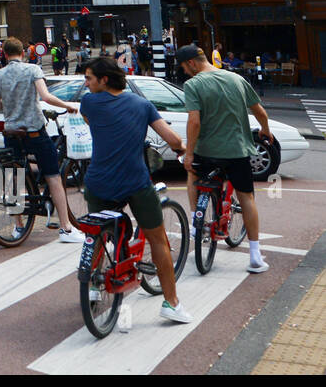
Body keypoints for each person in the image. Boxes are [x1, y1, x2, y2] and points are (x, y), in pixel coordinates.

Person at [79, 57, 193, 323]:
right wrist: (181, 150)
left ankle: (93, 287)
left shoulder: (89, 103)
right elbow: (173, 139)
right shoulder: (142, 105)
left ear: (103, 80)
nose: (86, 84)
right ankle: (171, 303)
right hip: (135, 182)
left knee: (99, 235)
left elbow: (89, 121)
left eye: (88, 78)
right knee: (158, 240)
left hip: (98, 182)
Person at [175, 44, 272, 273]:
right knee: (246, 198)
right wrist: (265, 129)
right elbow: (259, 112)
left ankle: (195, 224)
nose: (185, 73)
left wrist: (189, 153)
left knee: (192, 173)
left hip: (206, 151)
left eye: (184, 68)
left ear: (191, 63)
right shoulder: (236, 79)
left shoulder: (193, 85)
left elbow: (194, 121)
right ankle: (255, 255)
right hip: (237, 150)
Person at [0, 37, 83, 242]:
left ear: (4, 54)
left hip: (12, 134)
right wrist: (68, 106)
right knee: (54, 177)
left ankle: (18, 226)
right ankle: (66, 228)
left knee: (14, 177)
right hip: (34, 132)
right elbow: (46, 97)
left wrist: (12, 105)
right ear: (23, 53)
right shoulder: (32, 70)